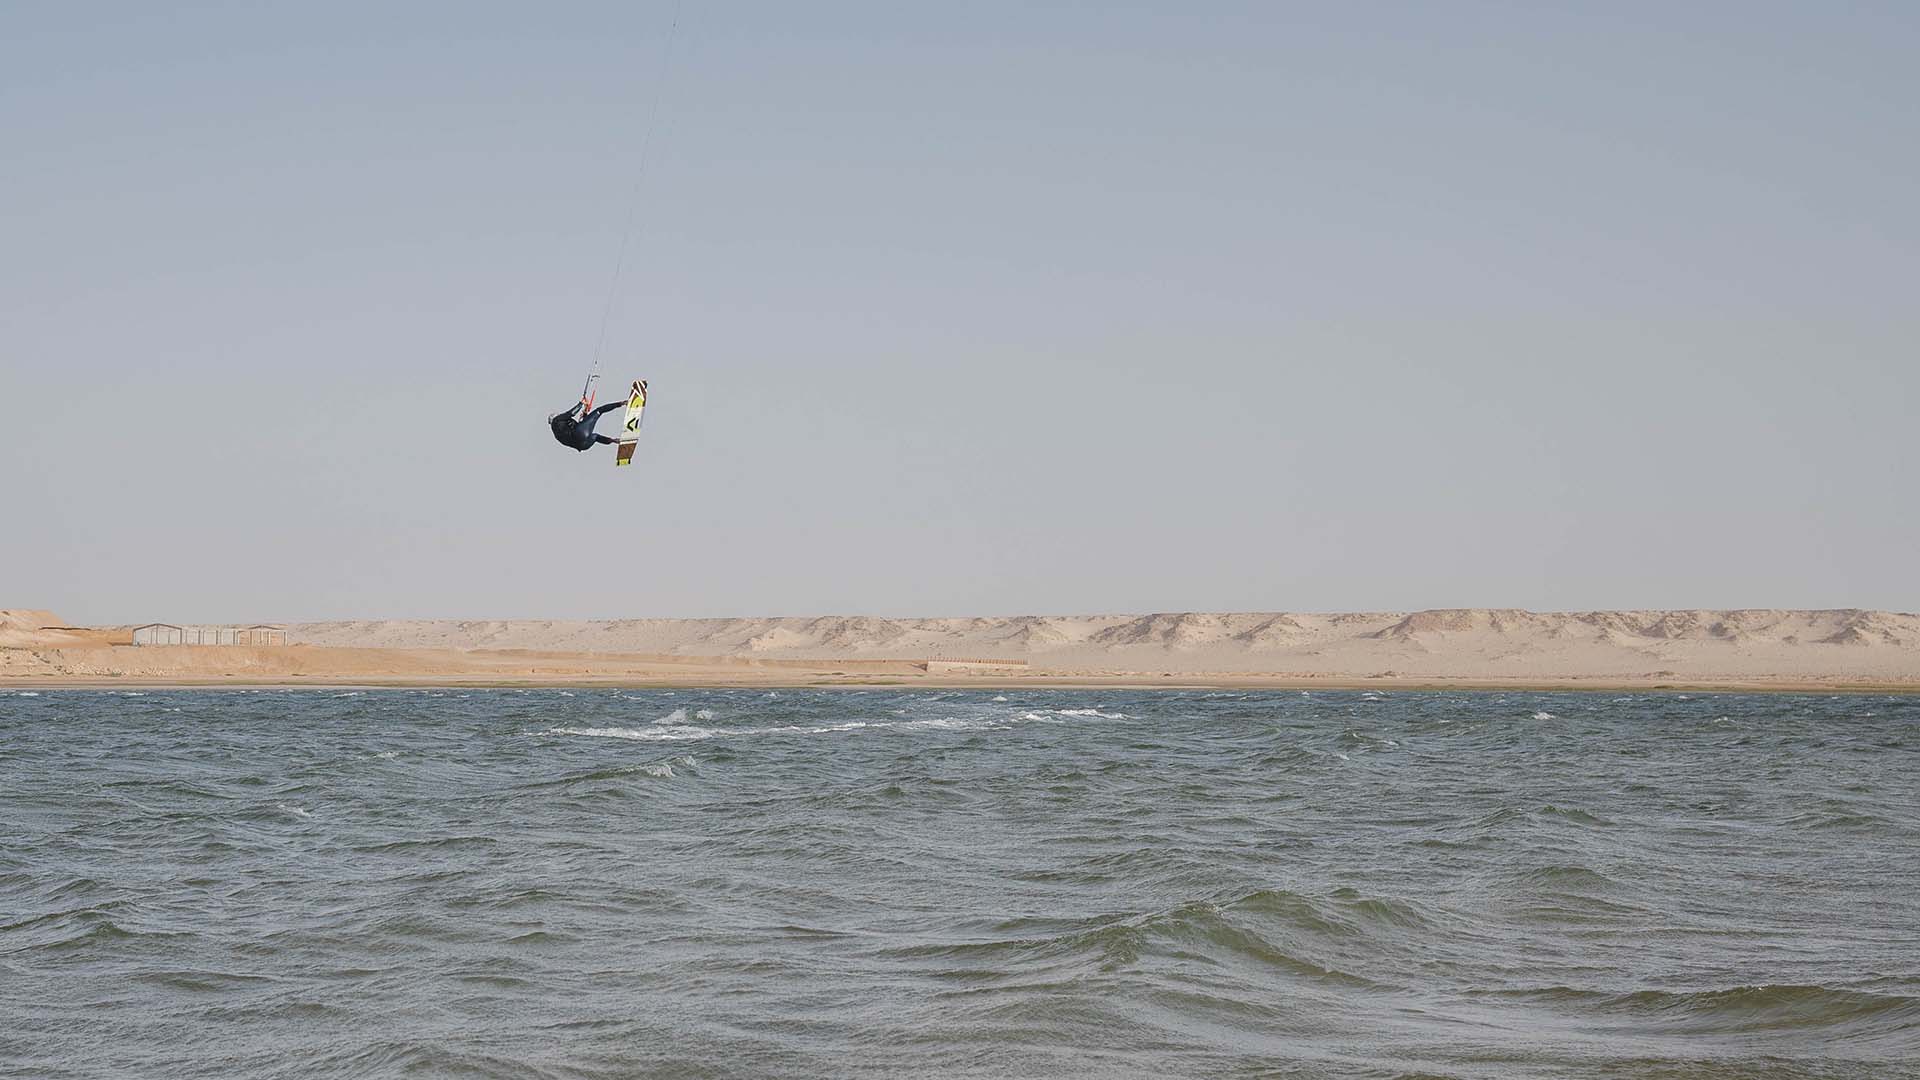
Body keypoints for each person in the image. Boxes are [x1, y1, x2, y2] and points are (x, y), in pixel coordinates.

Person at [548, 398, 627, 451]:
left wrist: (585, 414)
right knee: (600, 410)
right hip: (580, 434)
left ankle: (615, 441)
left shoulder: (557, 435)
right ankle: (622, 403)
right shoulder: (557, 420)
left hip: (584, 446)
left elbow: (576, 433)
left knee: (595, 436)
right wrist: (581, 403)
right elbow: (571, 413)